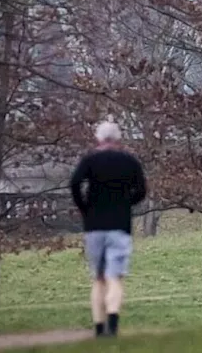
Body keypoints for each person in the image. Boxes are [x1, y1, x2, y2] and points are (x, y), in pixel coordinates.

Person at [69, 118, 147, 337]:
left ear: (98, 138)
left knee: (98, 278)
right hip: (120, 226)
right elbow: (141, 190)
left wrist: (85, 206)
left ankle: (98, 326)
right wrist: (126, 204)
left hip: (94, 225)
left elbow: (75, 183)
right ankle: (113, 323)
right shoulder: (129, 162)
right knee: (115, 277)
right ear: (118, 139)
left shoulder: (90, 161)